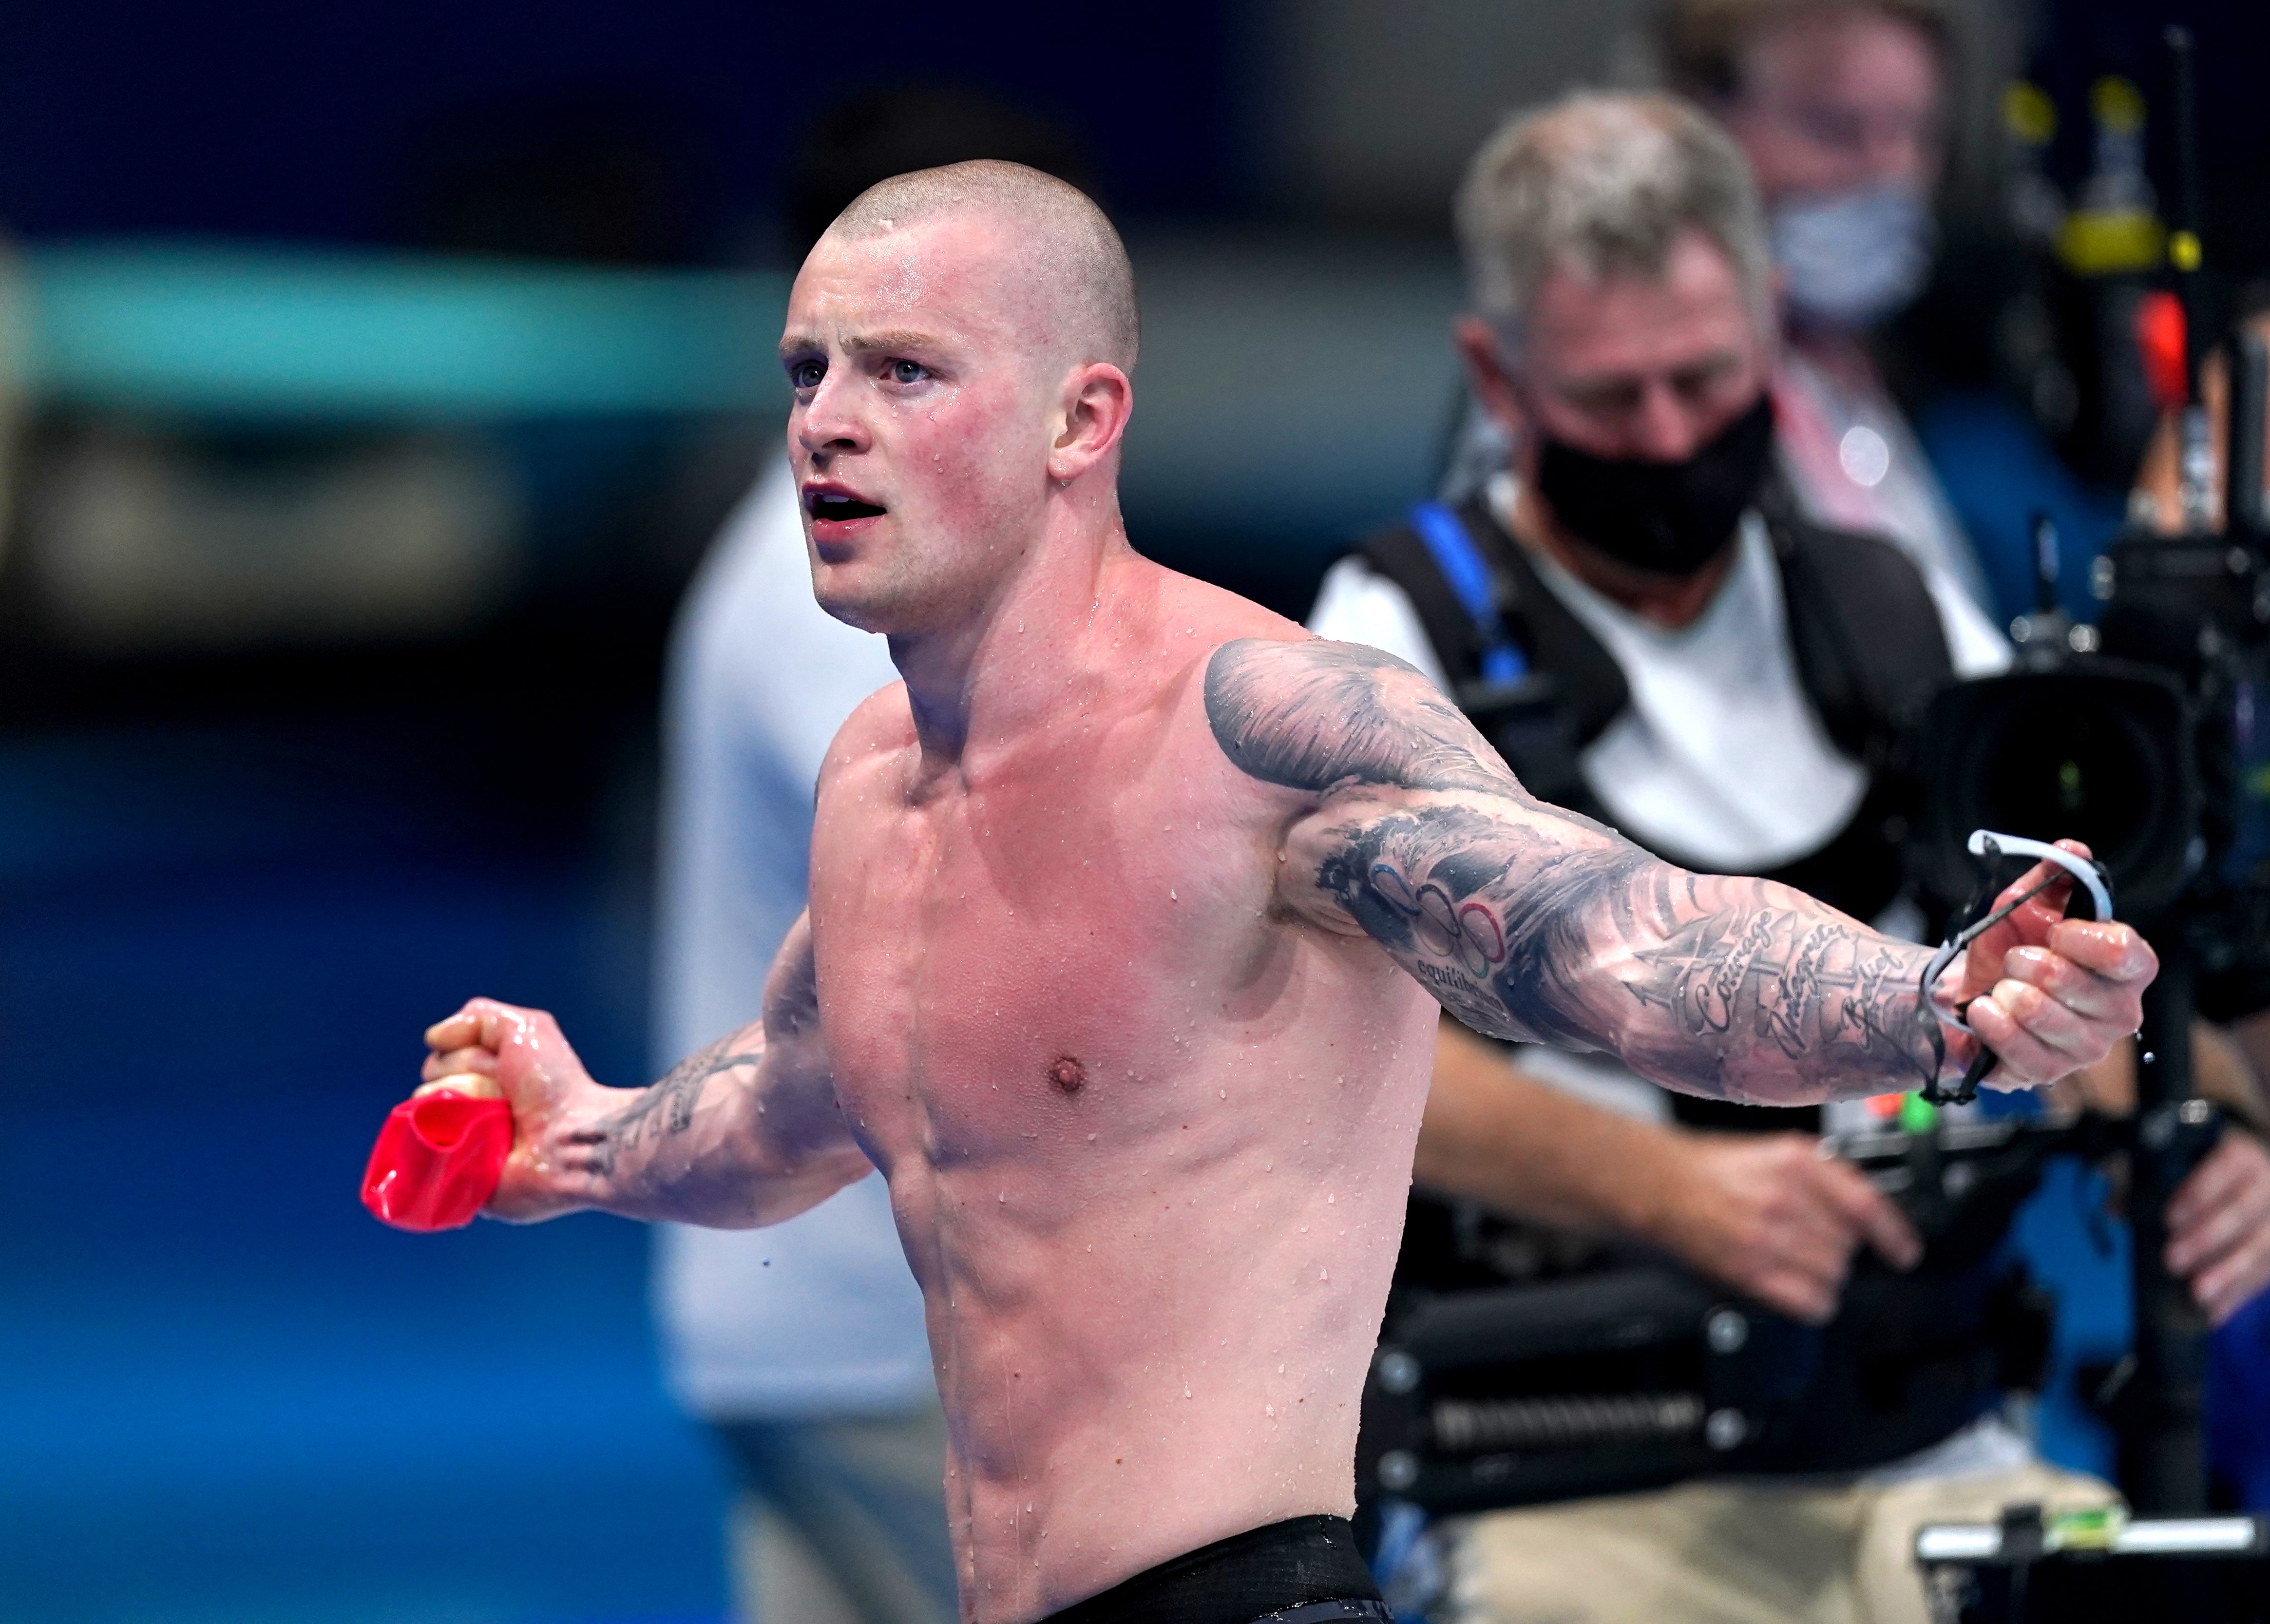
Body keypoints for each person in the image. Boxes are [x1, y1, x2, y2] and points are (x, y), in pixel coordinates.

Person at [415, 160, 2155, 1624]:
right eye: (806, 373)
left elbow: (1611, 939)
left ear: (1078, 419)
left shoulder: (1257, 731)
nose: (828, 426)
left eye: (903, 373)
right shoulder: (876, 786)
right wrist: (578, 1141)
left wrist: (1930, 1007)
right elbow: (786, 1098)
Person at [1307, 93, 2270, 1624]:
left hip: (1916, 1428)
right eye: (1611, 401)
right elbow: (1324, 1057)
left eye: (1703, 377)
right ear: (1499, 375)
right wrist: (1661, 1189)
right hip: (1571, 1467)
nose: (1672, 437)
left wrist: (2193, 1130)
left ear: (1767, 324)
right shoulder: (1380, 645)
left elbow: (2044, 957)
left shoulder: (1885, 606)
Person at [652, 90, 1097, 1624]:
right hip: (892, 1339)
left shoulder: (875, 549)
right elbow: (1029, 905)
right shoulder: (825, 589)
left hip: (831, 1323)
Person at [1653, 0, 1992, 611]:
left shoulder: (1849, 372)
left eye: (1919, 136)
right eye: (1837, 129)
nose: (1896, 176)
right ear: (1698, 123)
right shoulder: (1625, 387)